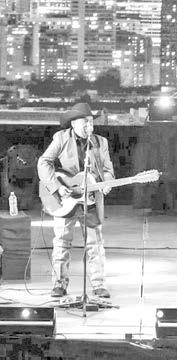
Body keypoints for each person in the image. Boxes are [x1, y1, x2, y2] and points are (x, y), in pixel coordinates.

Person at [37, 103, 115, 298]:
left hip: (90, 200)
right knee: (62, 242)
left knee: (95, 243)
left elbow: (107, 169)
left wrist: (107, 182)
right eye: (85, 122)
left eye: (91, 122)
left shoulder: (100, 142)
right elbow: (44, 162)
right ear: (73, 124)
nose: (89, 126)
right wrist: (57, 187)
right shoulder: (61, 138)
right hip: (66, 199)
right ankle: (59, 284)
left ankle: (98, 284)